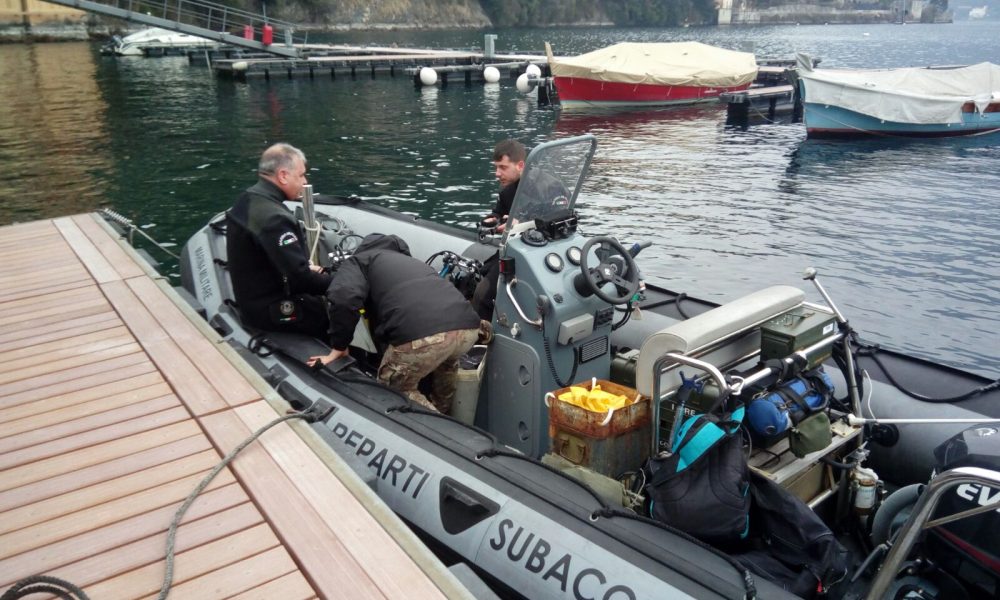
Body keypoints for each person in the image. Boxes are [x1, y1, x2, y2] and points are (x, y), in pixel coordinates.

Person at [307, 234, 481, 414]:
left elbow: (344, 298)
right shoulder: (413, 263)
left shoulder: (359, 260)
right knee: (446, 366)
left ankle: (442, 427)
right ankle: (444, 409)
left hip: (424, 336)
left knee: (396, 389)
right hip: (468, 327)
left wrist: (339, 347)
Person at [226, 143, 332, 339]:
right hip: (268, 312)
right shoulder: (275, 219)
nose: (305, 181)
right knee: (328, 314)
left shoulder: (248, 198)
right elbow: (301, 280)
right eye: (301, 175)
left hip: (253, 297)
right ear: (283, 176)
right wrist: (340, 281)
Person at [472, 139, 526, 320]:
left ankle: (482, 333)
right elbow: (498, 213)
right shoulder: (506, 191)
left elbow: (558, 218)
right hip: (512, 250)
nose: (497, 173)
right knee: (479, 276)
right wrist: (491, 221)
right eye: (496, 167)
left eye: (503, 167)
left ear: (520, 165)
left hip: (533, 253)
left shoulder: (547, 186)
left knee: (483, 295)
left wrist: (522, 223)